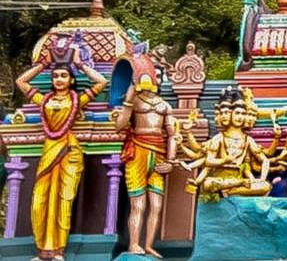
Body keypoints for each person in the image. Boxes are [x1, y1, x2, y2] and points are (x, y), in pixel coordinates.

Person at [17, 47, 108, 261]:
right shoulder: (44, 100)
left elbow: (101, 82)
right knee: (40, 200)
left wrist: (79, 64)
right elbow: (21, 82)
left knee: (64, 200)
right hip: (49, 151)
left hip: (69, 153)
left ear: (71, 80)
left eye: (64, 75)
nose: (59, 79)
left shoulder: (77, 100)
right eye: (55, 76)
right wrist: (44, 64)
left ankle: (58, 250)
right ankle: (42, 250)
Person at [115, 51, 177, 257]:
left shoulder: (164, 105)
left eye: (159, 75)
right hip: (138, 152)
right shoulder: (134, 102)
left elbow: (173, 135)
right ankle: (133, 243)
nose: (155, 79)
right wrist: (129, 100)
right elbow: (119, 125)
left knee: (156, 205)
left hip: (158, 153)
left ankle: (149, 244)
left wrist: (171, 161)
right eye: (153, 74)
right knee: (138, 204)